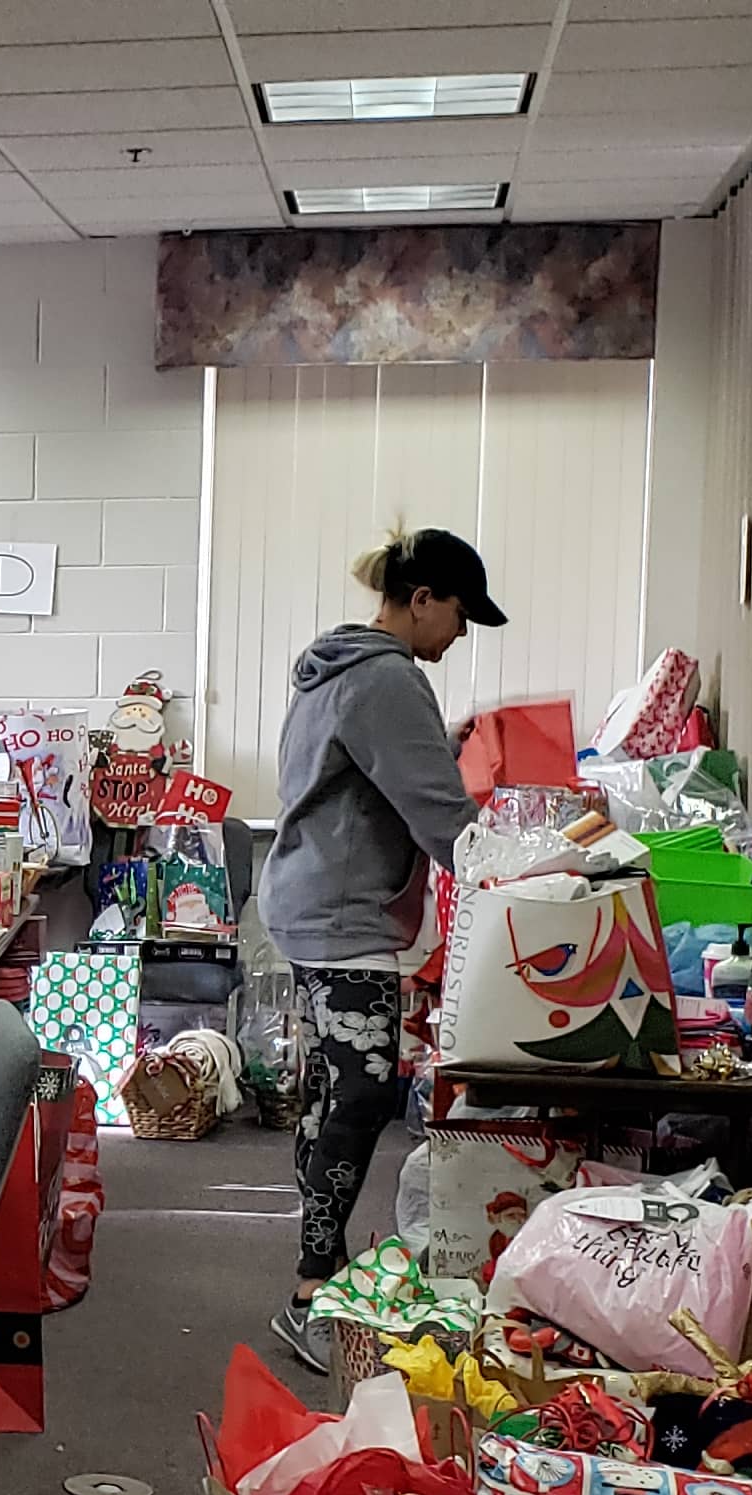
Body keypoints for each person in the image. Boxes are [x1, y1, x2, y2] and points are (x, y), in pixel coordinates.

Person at [261, 528, 502, 1297]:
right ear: (421, 599)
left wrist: (443, 740)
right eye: (459, 616)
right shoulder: (389, 679)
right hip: (343, 911)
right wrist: (519, 867)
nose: (460, 634)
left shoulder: (337, 666)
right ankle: (313, 1275)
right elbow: (435, 811)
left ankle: (320, 1256)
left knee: (332, 1089)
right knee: (364, 1091)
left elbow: (366, 764)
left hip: (308, 895)